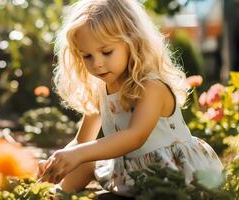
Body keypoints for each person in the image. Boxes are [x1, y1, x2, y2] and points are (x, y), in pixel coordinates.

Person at [38, 0, 223, 197]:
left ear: (132, 42)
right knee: (84, 160)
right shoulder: (101, 88)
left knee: (84, 156)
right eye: (87, 56)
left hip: (174, 170)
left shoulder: (151, 86)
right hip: (133, 169)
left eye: (106, 52)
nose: (97, 63)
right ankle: (56, 193)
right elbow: (82, 141)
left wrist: (79, 153)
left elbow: (136, 136)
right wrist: (58, 161)